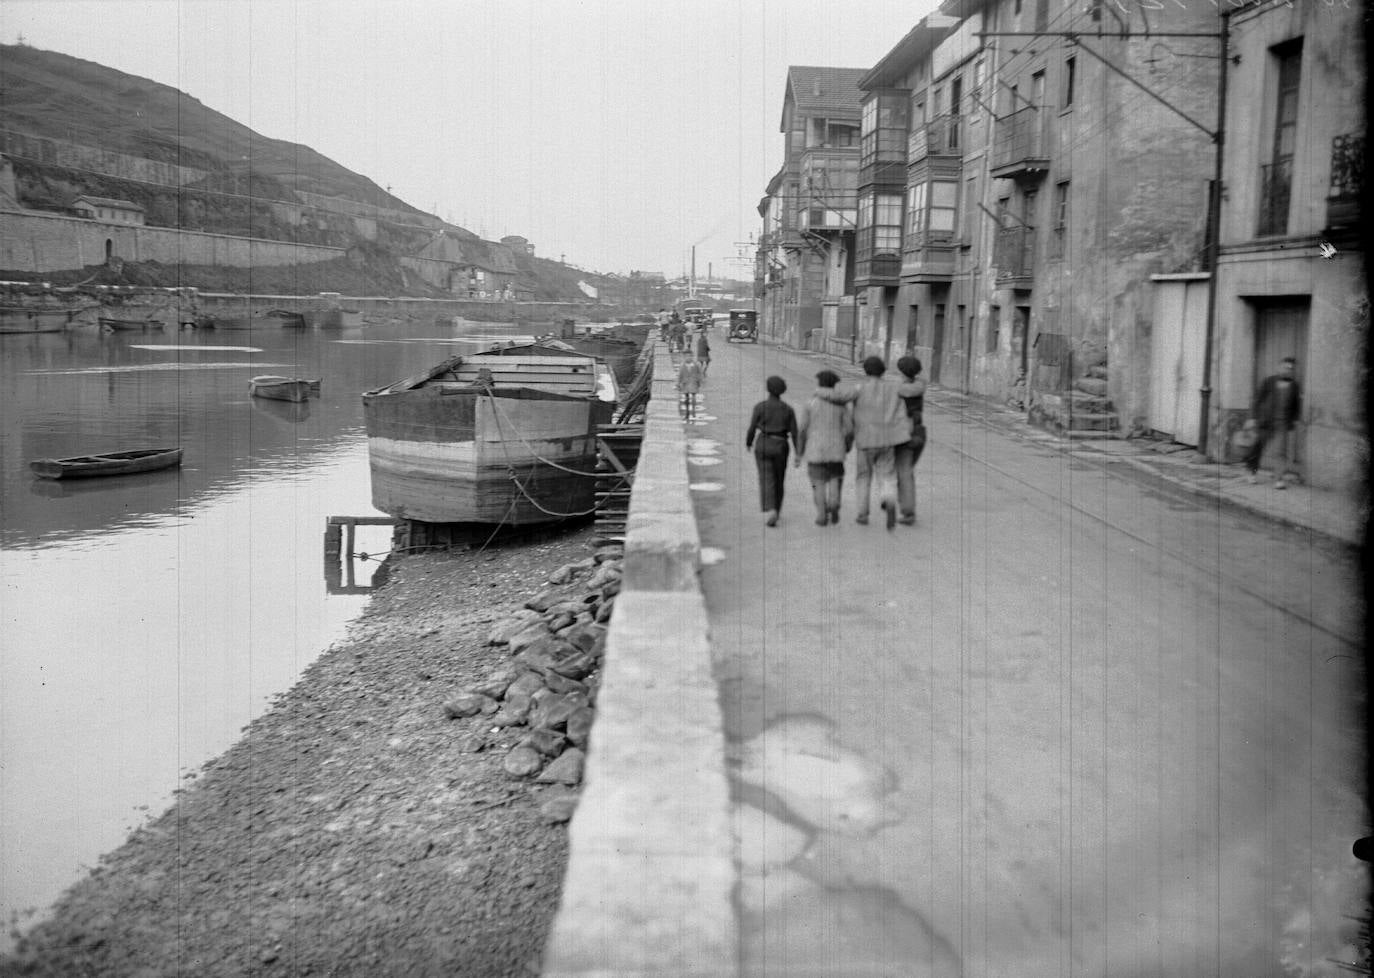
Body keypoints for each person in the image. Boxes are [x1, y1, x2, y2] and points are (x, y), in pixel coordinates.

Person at [816, 356, 912, 530]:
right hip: (887, 440)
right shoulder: (893, 389)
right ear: (883, 370)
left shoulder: (859, 388)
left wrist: (820, 392)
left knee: (863, 477)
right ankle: (888, 499)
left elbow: (838, 397)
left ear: (866, 371)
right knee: (887, 474)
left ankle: (862, 513)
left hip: (865, 441)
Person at [795, 369, 854, 526]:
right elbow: (849, 429)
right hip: (836, 450)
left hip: (815, 451)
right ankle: (834, 505)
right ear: (835, 385)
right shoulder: (842, 406)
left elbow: (802, 430)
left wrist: (799, 453)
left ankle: (821, 514)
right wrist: (847, 446)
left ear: (819, 384)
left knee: (818, 483)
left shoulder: (810, 404)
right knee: (835, 478)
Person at [745, 375, 798, 527]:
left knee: (765, 477)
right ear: (783, 391)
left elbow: (752, 427)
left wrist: (749, 442)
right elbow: (794, 433)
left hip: (763, 444)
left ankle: (771, 509)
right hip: (781, 445)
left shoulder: (760, 407)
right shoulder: (788, 409)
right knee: (779, 479)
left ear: (768, 389)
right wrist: (798, 453)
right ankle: (777, 509)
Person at [1247, 355, 1303, 488]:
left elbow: (1296, 405)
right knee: (1258, 448)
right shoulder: (1269, 381)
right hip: (1265, 422)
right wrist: (1252, 418)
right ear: (1280, 367)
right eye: (1285, 367)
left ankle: (1279, 479)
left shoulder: (1295, 386)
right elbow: (1258, 400)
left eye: (1291, 368)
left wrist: (1295, 419)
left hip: (1282, 424)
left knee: (1281, 452)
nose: (1288, 370)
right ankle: (1252, 473)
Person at [893, 356, 927, 525]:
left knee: (903, 472)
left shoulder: (897, 389)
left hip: (903, 433)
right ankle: (906, 506)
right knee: (906, 471)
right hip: (919, 432)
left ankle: (907, 511)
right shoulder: (920, 387)